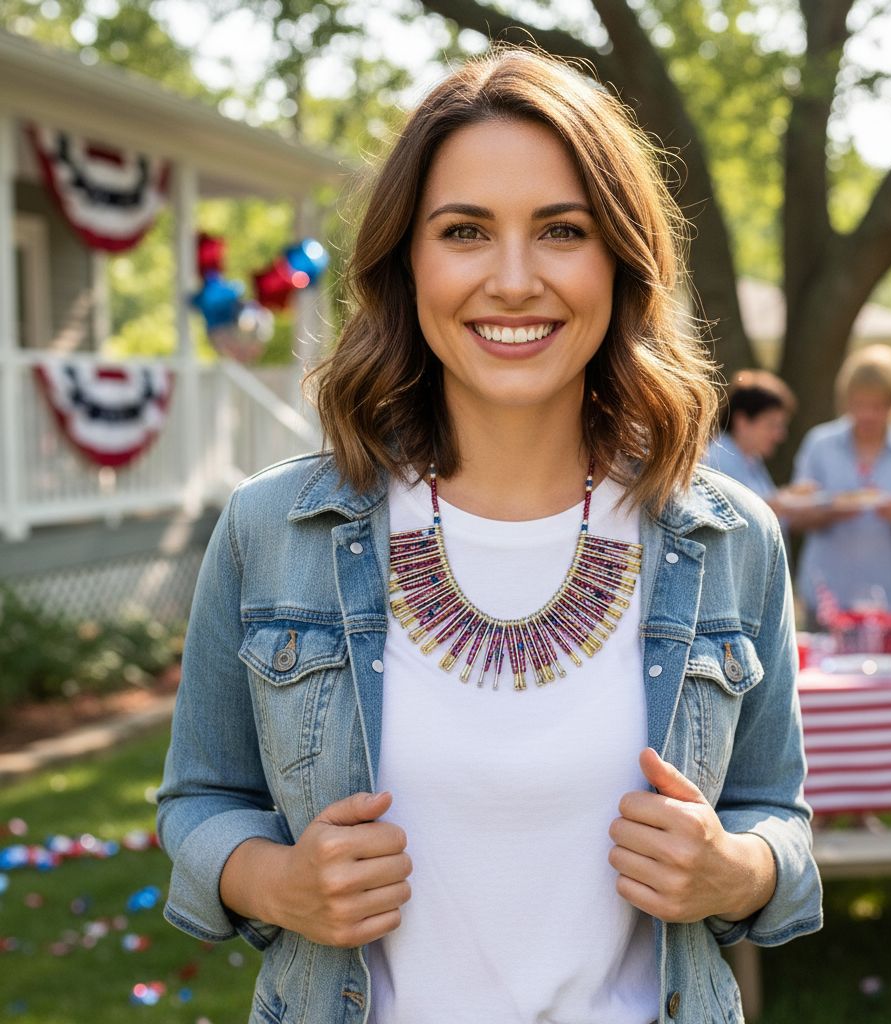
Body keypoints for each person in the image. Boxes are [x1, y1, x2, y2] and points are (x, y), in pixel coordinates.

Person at [156, 49, 821, 1024]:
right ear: (406, 262)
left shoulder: (728, 541)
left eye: (562, 230)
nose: (513, 281)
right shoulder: (273, 528)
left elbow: (777, 815)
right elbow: (198, 799)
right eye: (464, 231)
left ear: (621, 260)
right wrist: (271, 882)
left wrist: (739, 869)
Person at [790, 344, 891, 622]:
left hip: (889, 600)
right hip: (825, 597)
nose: (867, 415)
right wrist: (831, 510)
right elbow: (795, 520)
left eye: (877, 407)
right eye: (859, 405)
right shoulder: (820, 444)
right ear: (846, 401)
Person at [702, 369, 795, 506]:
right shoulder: (718, 460)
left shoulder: (750, 457)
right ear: (742, 421)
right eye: (771, 425)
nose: (780, 435)